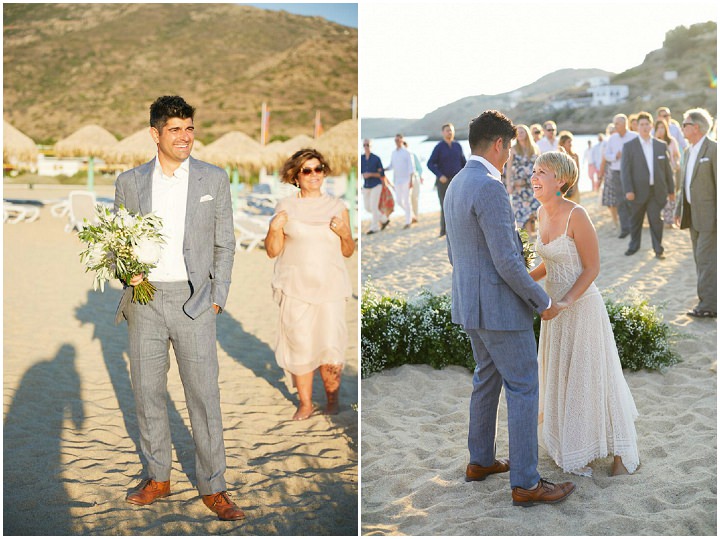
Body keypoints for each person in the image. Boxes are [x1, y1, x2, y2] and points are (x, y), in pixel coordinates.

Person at [114, 96, 244, 520]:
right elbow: (117, 244)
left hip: (196, 303)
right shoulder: (129, 182)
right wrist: (125, 271)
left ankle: (214, 486)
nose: (185, 137)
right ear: (155, 134)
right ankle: (158, 477)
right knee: (148, 393)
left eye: (189, 128)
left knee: (204, 396)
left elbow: (226, 242)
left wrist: (218, 297)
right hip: (145, 301)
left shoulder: (213, 179)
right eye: (175, 129)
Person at [443, 109, 575, 507]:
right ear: (499, 144)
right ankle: (526, 483)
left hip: (469, 304)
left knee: (486, 379)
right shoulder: (489, 186)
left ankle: (480, 461)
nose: (512, 158)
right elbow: (506, 261)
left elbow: (455, 253)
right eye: (511, 149)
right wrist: (543, 302)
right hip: (499, 309)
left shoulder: (455, 185)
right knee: (522, 387)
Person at [529, 151, 640, 477]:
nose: (534, 177)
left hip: (582, 309)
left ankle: (620, 452)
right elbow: (547, 264)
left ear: (560, 179)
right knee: (564, 378)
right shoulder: (540, 212)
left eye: (542, 172)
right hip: (555, 314)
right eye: (534, 171)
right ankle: (573, 444)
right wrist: (522, 281)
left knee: (597, 379)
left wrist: (566, 302)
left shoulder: (577, 214)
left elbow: (592, 268)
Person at [265, 149, 354, 419]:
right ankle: (305, 403)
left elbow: (348, 250)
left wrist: (344, 233)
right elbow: (272, 251)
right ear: (296, 176)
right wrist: (273, 228)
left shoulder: (338, 207)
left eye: (318, 169)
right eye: (307, 170)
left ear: (324, 172)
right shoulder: (285, 207)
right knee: (299, 342)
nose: (313, 175)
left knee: (330, 344)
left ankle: (331, 402)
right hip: (295, 286)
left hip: (330, 287)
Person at [676, 108, 717, 318]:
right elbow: (683, 186)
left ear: (696, 127)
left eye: (685, 124)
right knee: (699, 259)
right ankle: (709, 300)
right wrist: (678, 209)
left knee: (706, 259)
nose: (682, 127)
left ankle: (708, 305)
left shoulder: (713, 150)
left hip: (710, 217)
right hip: (692, 216)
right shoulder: (687, 151)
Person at [620, 111, 675, 258]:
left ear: (652, 126)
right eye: (641, 124)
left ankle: (658, 249)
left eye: (647, 124)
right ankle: (634, 246)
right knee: (635, 221)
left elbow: (667, 170)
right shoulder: (629, 146)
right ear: (637, 126)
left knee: (656, 221)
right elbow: (625, 172)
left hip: (656, 191)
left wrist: (671, 190)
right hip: (636, 192)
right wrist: (628, 190)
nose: (644, 127)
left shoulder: (660, 146)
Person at [427, 123, 466, 237]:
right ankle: (443, 230)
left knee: (459, 205)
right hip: (443, 181)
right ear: (443, 133)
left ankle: (458, 229)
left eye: (451, 130)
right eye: (447, 130)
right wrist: (440, 175)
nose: (450, 132)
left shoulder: (457, 145)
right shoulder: (439, 147)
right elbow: (430, 163)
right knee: (445, 205)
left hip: (457, 181)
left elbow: (463, 162)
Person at [604, 114, 637, 238]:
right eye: (614, 123)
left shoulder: (634, 137)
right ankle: (625, 228)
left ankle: (634, 226)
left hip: (632, 172)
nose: (615, 126)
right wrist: (615, 157)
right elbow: (606, 155)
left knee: (632, 199)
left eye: (617, 123)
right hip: (617, 172)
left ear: (624, 124)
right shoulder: (612, 139)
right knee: (620, 200)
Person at [504, 124, 540, 233]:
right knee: (521, 214)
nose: (519, 134)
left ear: (527, 133)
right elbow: (509, 168)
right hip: (518, 187)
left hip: (532, 186)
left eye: (522, 132)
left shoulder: (535, 149)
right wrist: (508, 184)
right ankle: (527, 239)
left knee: (533, 212)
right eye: (517, 132)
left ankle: (531, 236)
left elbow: (540, 167)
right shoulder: (513, 150)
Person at [653, 118, 681, 227]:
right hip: (656, 174)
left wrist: (677, 163)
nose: (660, 130)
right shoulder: (652, 142)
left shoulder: (672, 141)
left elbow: (677, 155)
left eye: (662, 128)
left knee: (671, 194)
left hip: (669, 172)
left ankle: (670, 220)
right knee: (658, 196)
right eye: (658, 128)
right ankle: (660, 218)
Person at [384, 133, 415, 229]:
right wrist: (384, 169)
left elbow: (411, 168)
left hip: (406, 180)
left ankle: (408, 221)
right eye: (395, 140)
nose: (397, 142)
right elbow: (391, 165)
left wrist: (411, 181)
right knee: (399, 201)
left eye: (398, 140)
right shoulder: (393, 153)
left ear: (402, 140)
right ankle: (411, 215)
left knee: (406, 201)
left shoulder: (407, 152)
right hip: (397, 180)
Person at [361, 139, 390, 234]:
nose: (366, 147)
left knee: (373, 207)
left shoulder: (376, 158)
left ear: (371, 146)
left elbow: (381, 174)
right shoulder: (361, 158)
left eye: (368, 145)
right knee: (367, 207)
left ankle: (374, 227)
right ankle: (384, 219)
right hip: (366, 186)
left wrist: (370, 174)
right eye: (364, 145)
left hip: (376, 185)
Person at [557, 130, 581, 204]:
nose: (571, 144)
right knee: (560, 206)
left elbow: (578, 172)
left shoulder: (575, 156)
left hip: (573, 185)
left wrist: (575, 186)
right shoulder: (558, 156)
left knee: (575, 206)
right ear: (563, 143)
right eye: (568, 142)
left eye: (571, 141)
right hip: (561, 186)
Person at [404, 140, 424, 223]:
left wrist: (420, 176)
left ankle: (415, 215)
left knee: (415, 198)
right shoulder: (400, 157)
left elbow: (419, 168)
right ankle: (411, 216)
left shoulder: (413, 155)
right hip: (405, 180)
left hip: (415, 179)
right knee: (407, 200)